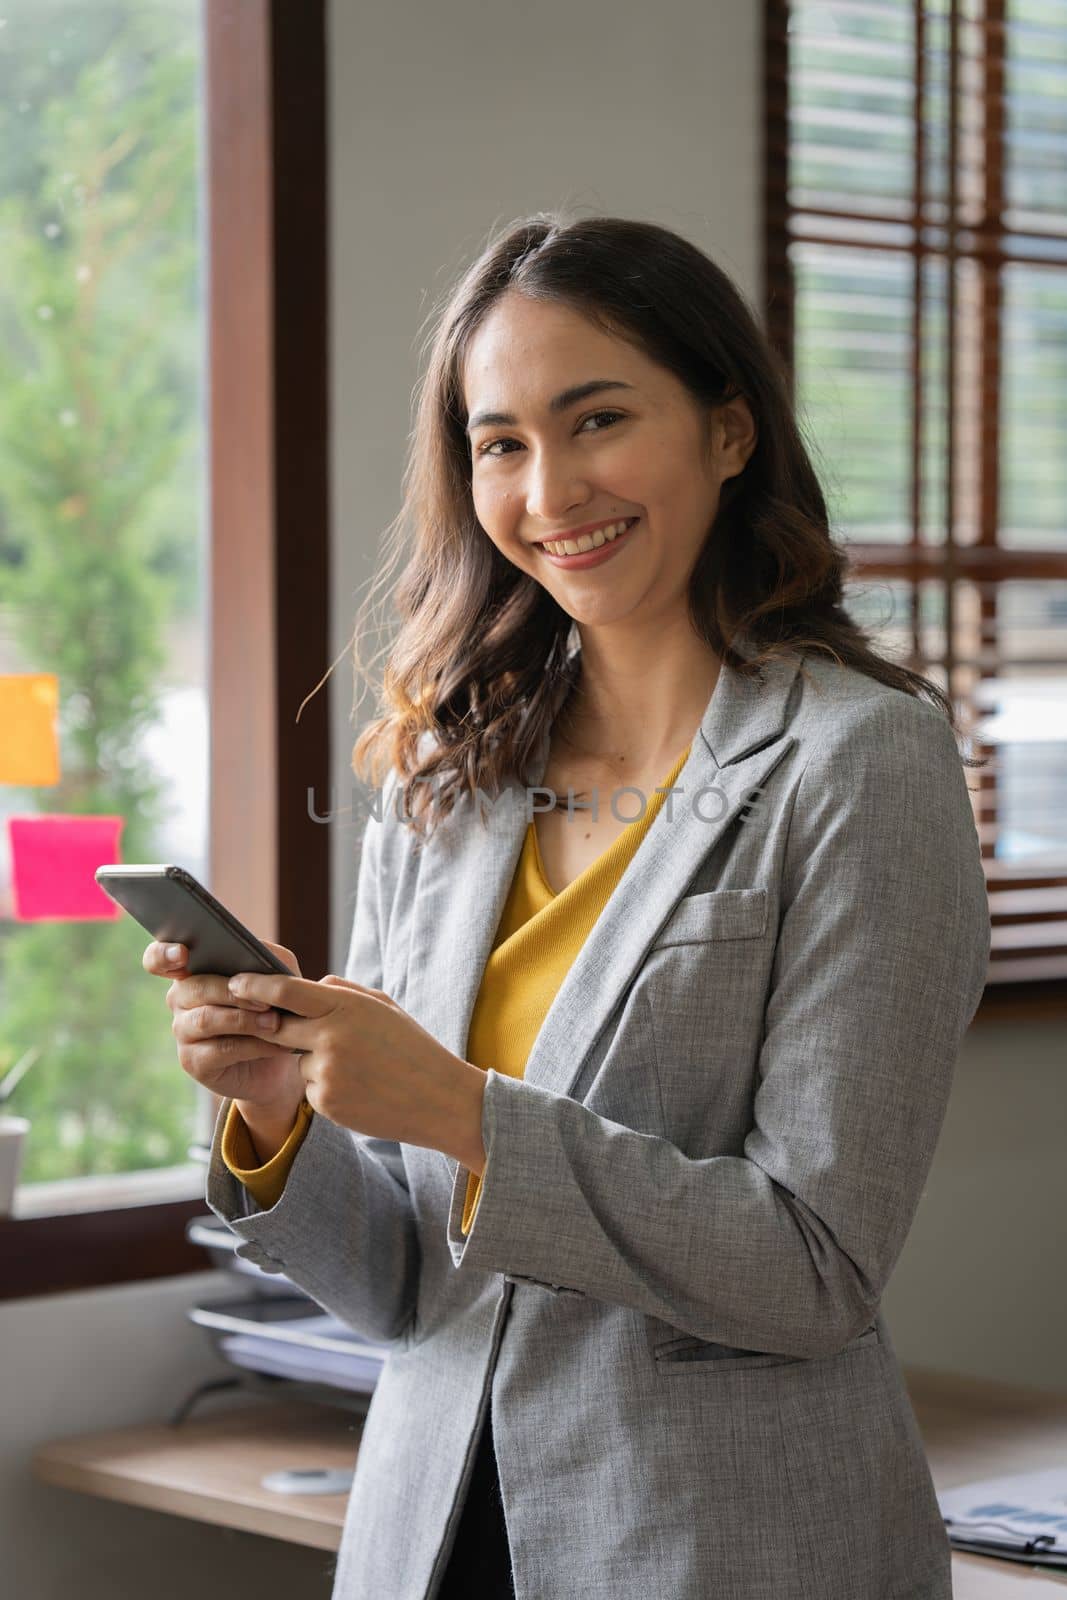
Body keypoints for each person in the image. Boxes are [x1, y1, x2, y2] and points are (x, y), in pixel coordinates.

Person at [144, 213, 990, 1599]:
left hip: (720, 1551)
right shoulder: (449, 765)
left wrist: (457, 1111)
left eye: (598, 419)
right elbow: (412, 1287)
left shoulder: (863, 762)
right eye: (501, 443)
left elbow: (817, 1268)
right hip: (430, 1541)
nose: (551, 489)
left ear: (729, 433)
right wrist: (280, 1116)